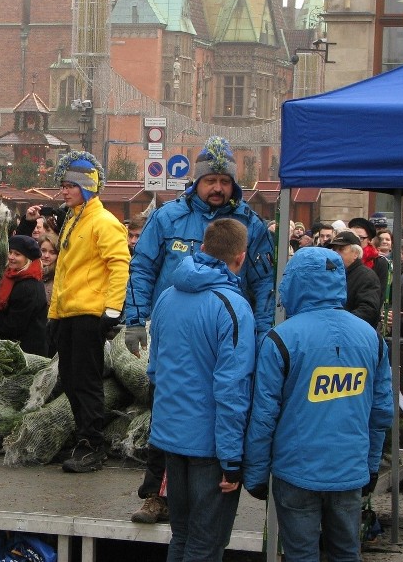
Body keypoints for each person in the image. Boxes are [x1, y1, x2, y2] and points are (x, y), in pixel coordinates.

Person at [124, 136, 274, 524]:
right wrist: (136, 319)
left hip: (224, 335)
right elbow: (142, 268)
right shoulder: (167, 217)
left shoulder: (250, 224)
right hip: (172, 334)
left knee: (221, 409)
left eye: (225, 181)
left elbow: (264, 284)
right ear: (196, 181)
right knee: (165, 412)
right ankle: (155, 496)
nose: (218, 188)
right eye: (211, 180)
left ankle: (205, 495)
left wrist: (262, 336)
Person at [244, 246, 393, 562]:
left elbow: (264, 415)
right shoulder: (371, 338)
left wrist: (255, 474)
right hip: (348, 470)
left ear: (294, 283)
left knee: (300, 555)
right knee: (346, 553)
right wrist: (370, 467)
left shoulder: (281, 338)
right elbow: (381, 411)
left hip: (297, 470)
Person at [149, 219, 255, 562]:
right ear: (240, 257)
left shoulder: (167, 296)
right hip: (211, 445)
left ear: (203, 247)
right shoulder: (233, 306)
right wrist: (232, 459)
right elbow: (232, 389)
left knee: (181, 535)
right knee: (206, 543)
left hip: (170, 436)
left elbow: (154, 369)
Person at [48, 151, 130, 473]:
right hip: (69, 315)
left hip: (88, 316)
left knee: (86, 382)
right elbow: (64, 272)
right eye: (63, 185)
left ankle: (92, 445)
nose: (63, 191)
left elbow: (119, 265)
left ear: (86, 186)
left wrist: (111, 310)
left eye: (70, 185)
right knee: (71, 379)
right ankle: (85, 437)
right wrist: (54, 315)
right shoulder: (75, 220)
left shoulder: (103, 221)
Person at [0, 235, 49, 356]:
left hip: (26, 353)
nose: (11, 257)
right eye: (10, 252)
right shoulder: (13, 277)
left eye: (17, 254)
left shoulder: (27, 286)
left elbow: (13, 326)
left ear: (27, 259)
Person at [328, 230, 382, 329]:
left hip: (353, 333)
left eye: (341, 249)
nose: (336, 254)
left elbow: (368, 311)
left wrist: (340, 323)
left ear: (356, 253)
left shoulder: (366, 277)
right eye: (334, 250)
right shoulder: (331, 273)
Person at [348, 217, 390, 302]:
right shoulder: (343, 258)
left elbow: (381, 294)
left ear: (369, 240)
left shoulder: (379, 261)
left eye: (360, 238)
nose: (355, 241)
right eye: (352, 237)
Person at [38, 231, 60, 306]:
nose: (46, 255)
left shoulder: (59, 277)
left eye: (52, 252)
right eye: (43, 251)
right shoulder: (29, 273)